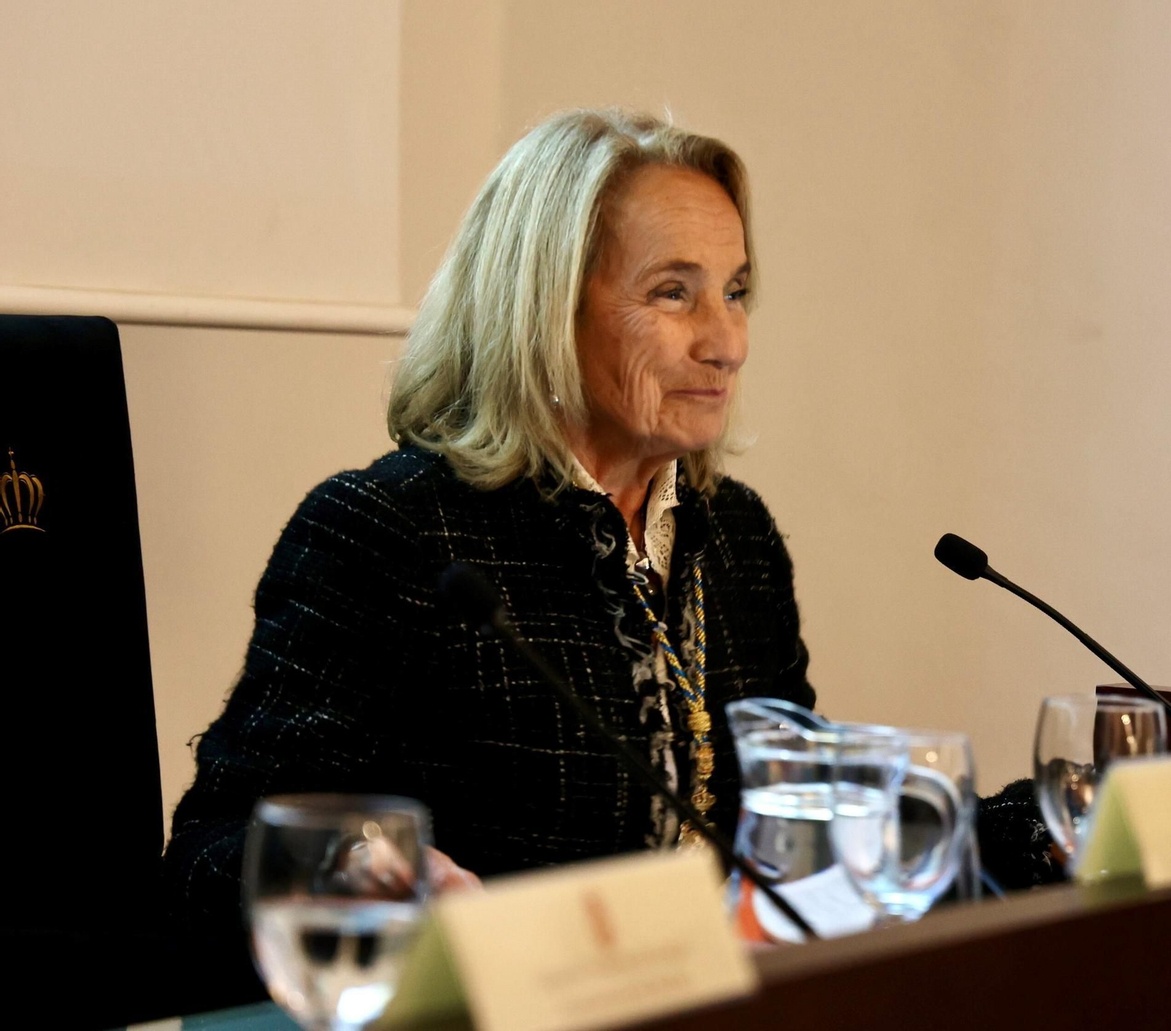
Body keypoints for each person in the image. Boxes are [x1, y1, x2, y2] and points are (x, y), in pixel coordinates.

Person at [163, 109, 816, 944]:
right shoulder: (389, 534)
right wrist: (370, 872)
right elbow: (209, 859)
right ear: (542, 310)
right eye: (673, 293)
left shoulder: (735, 539)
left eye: (735, 292)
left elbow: (804, 824)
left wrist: (1024, 827)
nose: (727, 342)